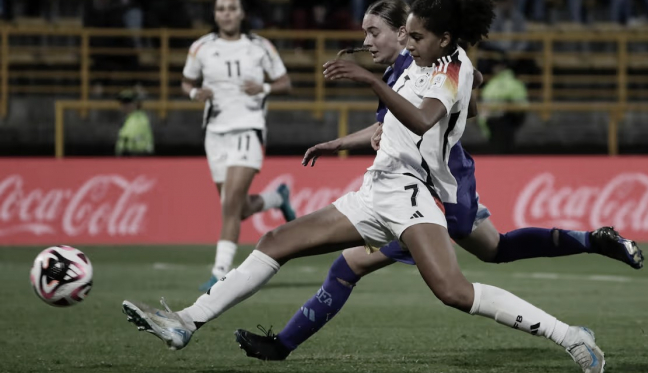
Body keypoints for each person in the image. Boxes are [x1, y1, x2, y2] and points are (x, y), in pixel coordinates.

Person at [121, 1, 609, 371]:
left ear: (441, 38)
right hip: (377, 188)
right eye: (406, 35)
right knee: (276, 240)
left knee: (455, 292)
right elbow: (407, 118)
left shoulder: (451, 70)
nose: (408, 43)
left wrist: (373, 83)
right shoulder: (424, 61)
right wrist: (347, 136)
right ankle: (186, 322)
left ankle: (570, 336)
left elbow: (420, 121)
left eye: (412, 36)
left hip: (414, 195)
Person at [181, 0, 297, 291]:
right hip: (215, 133)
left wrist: (265, 87)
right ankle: (276, 199)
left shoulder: (259, 46)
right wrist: (195, 91)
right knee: (237, 208)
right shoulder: (201, 47)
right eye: (221, 9)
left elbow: (285, 82)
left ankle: (220, 272)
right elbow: (185, 82)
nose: (227, 14)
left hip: (248, 128)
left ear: (242, 13)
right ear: (215, 14)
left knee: (230, 206)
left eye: (232, 8)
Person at [115, 89, 153, 156]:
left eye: (127, 102)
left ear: (136, 104)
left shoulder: (139, 119)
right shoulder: (128, 119)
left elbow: (135, 145)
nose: (124, 106)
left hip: (136, 157)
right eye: (122, 103)